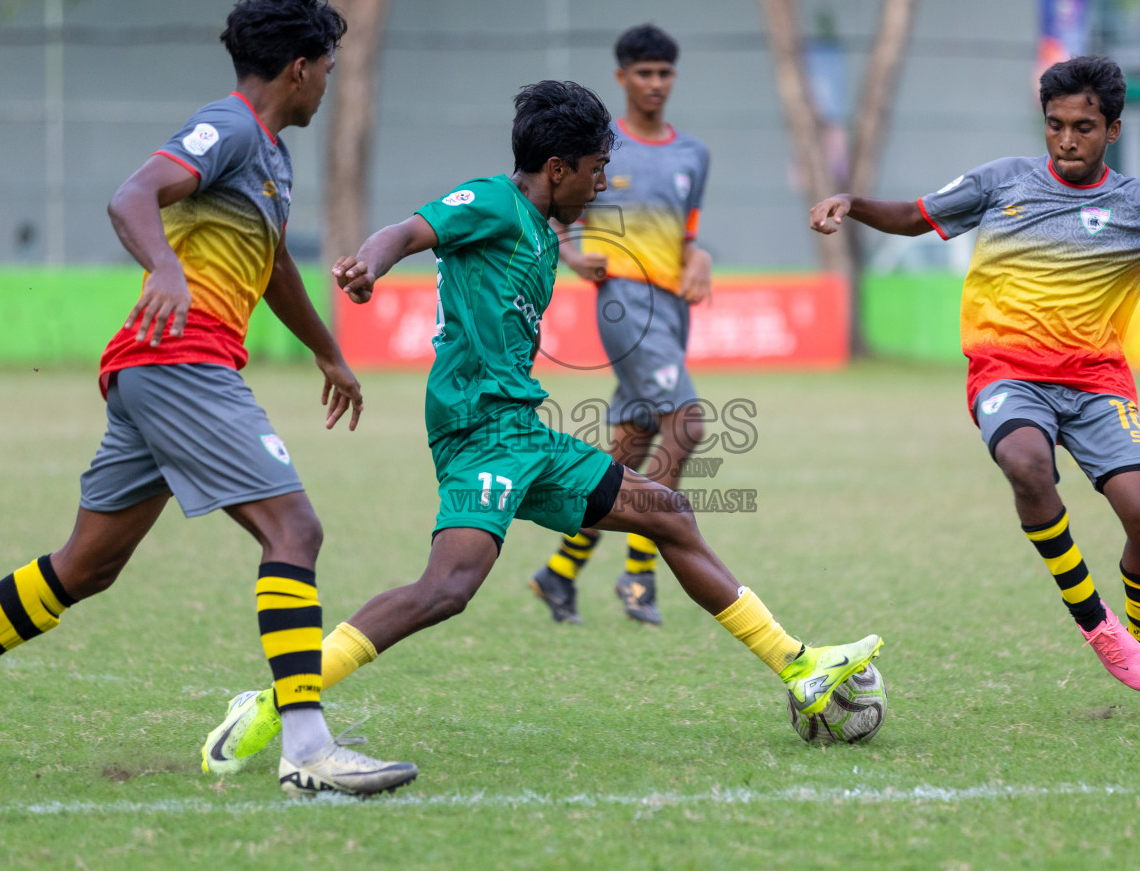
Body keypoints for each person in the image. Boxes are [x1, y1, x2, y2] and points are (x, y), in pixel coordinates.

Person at [199, 80, 883, 779]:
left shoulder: (541, 225)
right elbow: (407, 231)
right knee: (447, 588)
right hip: (479, 431)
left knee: (670, 512)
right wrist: (367, 266)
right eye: (594, 170)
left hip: (523, 431)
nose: (602, 183)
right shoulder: (493, 202)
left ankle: (799, 667)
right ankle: (277, 700)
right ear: (557, 170)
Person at [0, 0, 418, 799]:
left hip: (161, 373)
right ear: (299, 68)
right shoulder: (229, 126)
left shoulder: (269, 155)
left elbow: (266, 269)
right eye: (329, 66)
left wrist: (327, 351)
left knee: (86, 566)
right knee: (294, 529)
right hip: (181, 364)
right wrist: (162, 263)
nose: (331, 82)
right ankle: (307, 749)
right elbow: (133, 194)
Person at [810, 55, 1140, 709]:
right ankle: (1099, 626)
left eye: (1083, 127)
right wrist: (853, 203)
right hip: (1007, 371)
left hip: (1097, 384)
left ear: (1112, 130)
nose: (1066, 139)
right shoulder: (1001, 182)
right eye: (1055, 124)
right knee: (1026, 465)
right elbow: (917, 216)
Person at [530, 24, 713, 626]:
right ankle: (639, 574)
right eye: (644, 73)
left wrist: (700, 259)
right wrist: (571, 251)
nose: (654, 84)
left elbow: (685, 235)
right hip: (624, 305)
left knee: (633, 445)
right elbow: (547, 204)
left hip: (671, 308)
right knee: (686, 424)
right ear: (622, 78)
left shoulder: (693, 155)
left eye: (664, 73)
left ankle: (558, 575)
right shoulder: (602, 147)